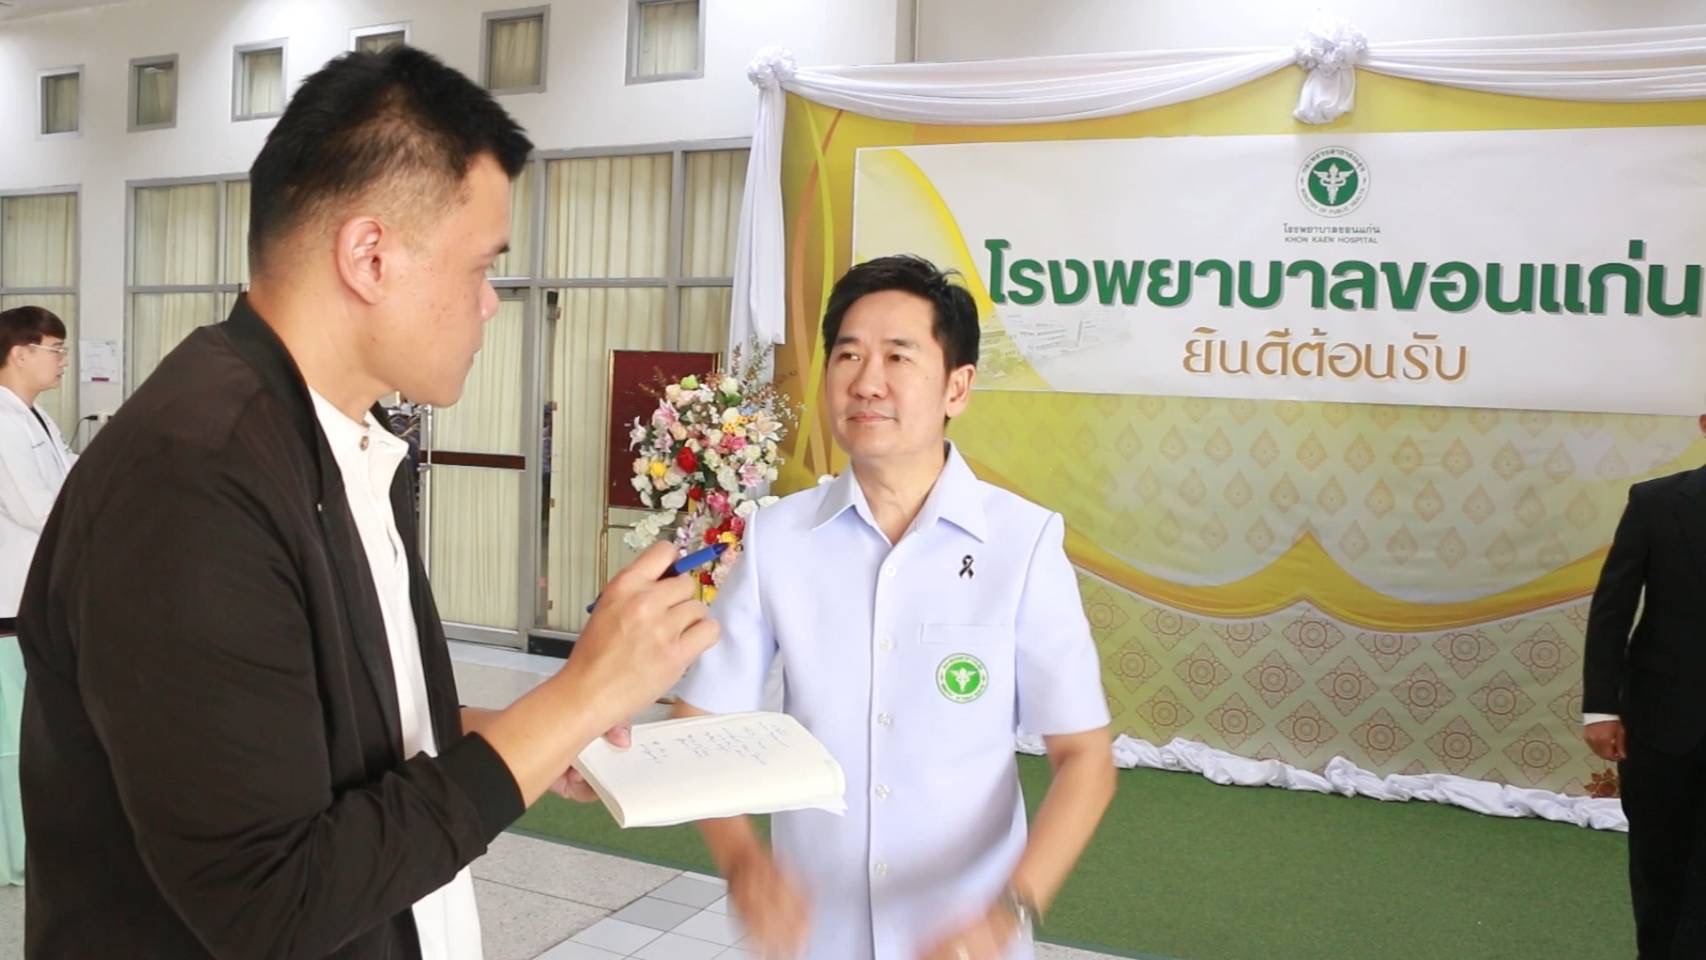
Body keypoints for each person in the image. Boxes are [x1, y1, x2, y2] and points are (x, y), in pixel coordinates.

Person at [17, 47, 717, 959]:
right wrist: (580, 699)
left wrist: (532, 738)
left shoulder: (336, 436)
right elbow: (272, 903)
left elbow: (326, 730)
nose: (490, 304)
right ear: (370, 257)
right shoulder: (196, 476)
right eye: (480, 267)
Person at [673, 255, 1116, 960]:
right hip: (814, 934)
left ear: (957, 387)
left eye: (898, 357)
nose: (866, 381)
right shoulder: (777, 539)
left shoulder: (1022, 543)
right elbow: (700, 720)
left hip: (964, 940)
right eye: (848, 354)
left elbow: (1084, 757)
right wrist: (743, 861)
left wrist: (1008, 911)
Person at [1584, 426, 1706, 960]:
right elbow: (1612, 608)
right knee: (1660, 863)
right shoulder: (1655, 502)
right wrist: (1599, 707)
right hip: (1662, 721)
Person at [0, 306, 76, 633]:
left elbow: (71, 469)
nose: (64, 361)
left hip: (39, 584)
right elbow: (36, 510)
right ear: (20, 354)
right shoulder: (4, 421)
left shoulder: (34, 414)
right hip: (13, 594)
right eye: (56, 350)